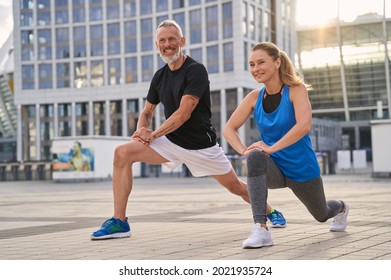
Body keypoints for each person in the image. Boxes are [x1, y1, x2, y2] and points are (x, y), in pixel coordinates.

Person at [90, 20, 285, 240]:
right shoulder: (159, 76)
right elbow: (147, 111)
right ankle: (120, 221)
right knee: (122, 153)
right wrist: (141, 132)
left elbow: (183, 113)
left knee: (237, 188)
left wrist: (152, 135)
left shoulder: (195, 70)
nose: (167, 44)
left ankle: (270, 211)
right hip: (171, 143)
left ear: (182, 41)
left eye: (172, 39)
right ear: (157, 45)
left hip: (202, 146)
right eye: (162, 40)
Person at [223, 42, 349, 249]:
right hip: (275, 168)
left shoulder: (296, 90)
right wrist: (245, 150)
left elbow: (303, 126)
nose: (256, 69)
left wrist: (271, 148)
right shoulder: (254, 97)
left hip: (302, 169)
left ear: (277, 62)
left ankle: (342, 207)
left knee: (321, 214)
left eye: (261, 62)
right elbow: (228, 129)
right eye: (252, 64)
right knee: (255, 157)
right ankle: (261, 228)